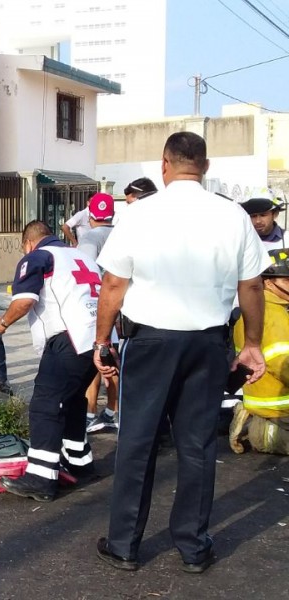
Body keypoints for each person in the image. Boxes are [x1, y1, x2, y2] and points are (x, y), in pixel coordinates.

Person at [93, 131, 269, 574]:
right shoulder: (233, 216)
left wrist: (102, 341)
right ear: (205, 167)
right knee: (197, 444)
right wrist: (251, 344)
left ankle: (124, 545)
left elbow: (113, 284)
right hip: (208, 342)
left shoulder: (139, 214)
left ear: (164, 165)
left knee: (137, 442)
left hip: (150, 342)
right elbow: (251, 285)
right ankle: (192, 545)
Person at [0, 221, 100, 502]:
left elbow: (24, 301)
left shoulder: (37, 257)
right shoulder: (80, 255)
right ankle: (78, 460)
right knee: (74, 398)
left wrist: (2, 322)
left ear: (28, 243)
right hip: (97, 336)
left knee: (45, 403)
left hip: (69, 338)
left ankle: (40, 477)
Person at [229, 248, 289, 455]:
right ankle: (260, 431)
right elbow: (284, 365)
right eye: (287, 281)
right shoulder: (272, 314)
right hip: (278, 413)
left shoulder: (273, 309)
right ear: (268, 282)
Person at [76, 193, 119, 433]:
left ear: (90, 216)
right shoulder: (124, 234)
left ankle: (91, 412)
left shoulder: (90, 237)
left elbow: (84, 273)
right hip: (126, 309)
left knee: (96, 357)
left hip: (101, 307)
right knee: (114, 361)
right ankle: (113, 411)